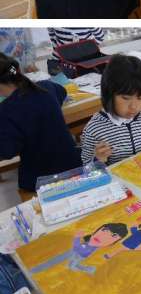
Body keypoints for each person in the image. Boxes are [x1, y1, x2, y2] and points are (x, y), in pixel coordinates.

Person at [0, 54, 82, 198]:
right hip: (75, 165)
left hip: (42, 180)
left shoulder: (6, 110)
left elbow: (7, 152)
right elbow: (62, 92)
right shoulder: (46, 87)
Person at [81, 54, 141, 165]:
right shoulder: (94, 130)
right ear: (109, 94)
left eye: (140, 98)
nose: (134, 106)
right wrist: (98, 159)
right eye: (126, 98)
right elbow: (87, 168)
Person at [30, 223, 128, 275]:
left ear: (112, 243)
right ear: (98, 229)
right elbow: (79, 248)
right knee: (57, 261)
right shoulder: (89, 243)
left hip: (77, 255)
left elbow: (80, 249)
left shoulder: (92, 248)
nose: (103, 236)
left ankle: (85, 268)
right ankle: (35, 270)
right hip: (73, 254)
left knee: (69, 265)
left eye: (113, 236)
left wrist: (77, 238)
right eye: (105, 230)